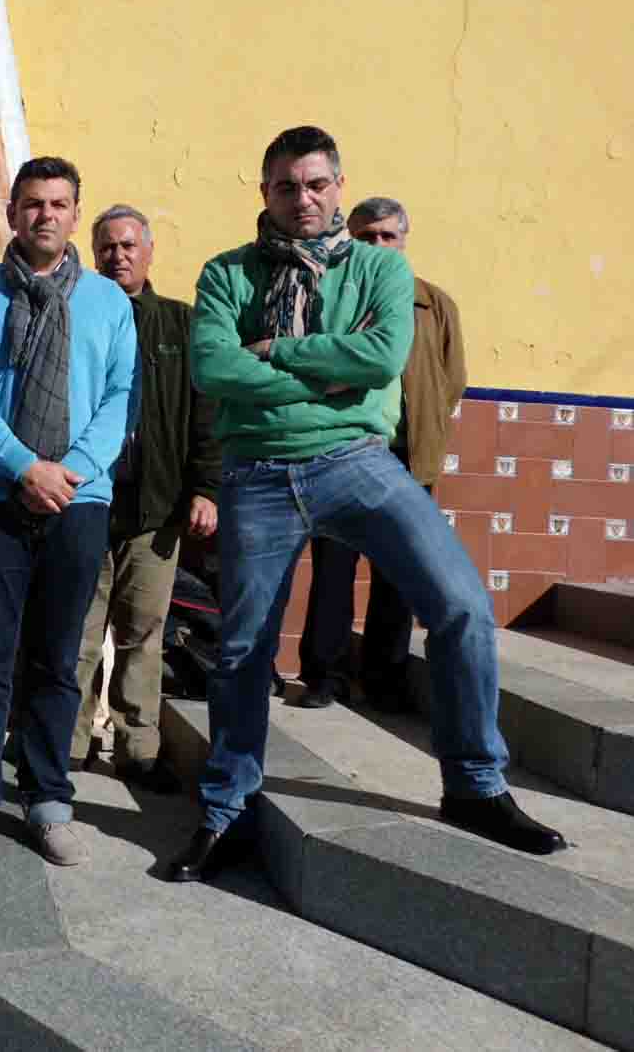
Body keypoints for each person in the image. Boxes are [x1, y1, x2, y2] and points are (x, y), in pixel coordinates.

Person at [170, 126, 564, 883]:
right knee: (245, 646)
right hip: (257, 470)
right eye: (286, 186)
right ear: (265, 194)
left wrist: (276, 352)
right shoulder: (227, 274)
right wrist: (330, 373)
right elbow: (215, 369)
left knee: (461, 606)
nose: (303, 199)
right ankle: (228, 808)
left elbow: (384, 356)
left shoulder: (381, 267)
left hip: (359, 461)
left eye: (316, 184)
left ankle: (476, 784)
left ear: (339, 187)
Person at [0, 157, 137, 868]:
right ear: (12, 212)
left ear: (75, 213)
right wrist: (24, 466)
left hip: (78, 501)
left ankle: (49, 798)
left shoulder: (111, 303)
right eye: (32, 203)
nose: (44, 214)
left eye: (57, 203)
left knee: (57, 659)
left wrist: (67, 473)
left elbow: (119, 400)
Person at [297, 196, 467, 712]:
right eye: (366, 236)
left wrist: (425, 431)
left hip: (407, 458)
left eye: (386, 236)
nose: (376, 246)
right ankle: (323, 676)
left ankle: (385, 679)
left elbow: (452, 378)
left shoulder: (434, 305)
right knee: (333, 569)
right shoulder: (328, 295)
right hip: (342, 452)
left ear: (403, 240)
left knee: (398, 572)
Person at [71, 205, 220, 791]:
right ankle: (71, 744)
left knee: (143, 631)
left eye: (129, 245)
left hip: (154, 508)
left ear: (150, 251)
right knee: (79, 633)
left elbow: (206, 413)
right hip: (84, 503)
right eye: (107, 247)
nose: (118, 256)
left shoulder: (181, 326)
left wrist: (205, 487)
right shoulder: (74, 315)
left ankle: (140, 751)